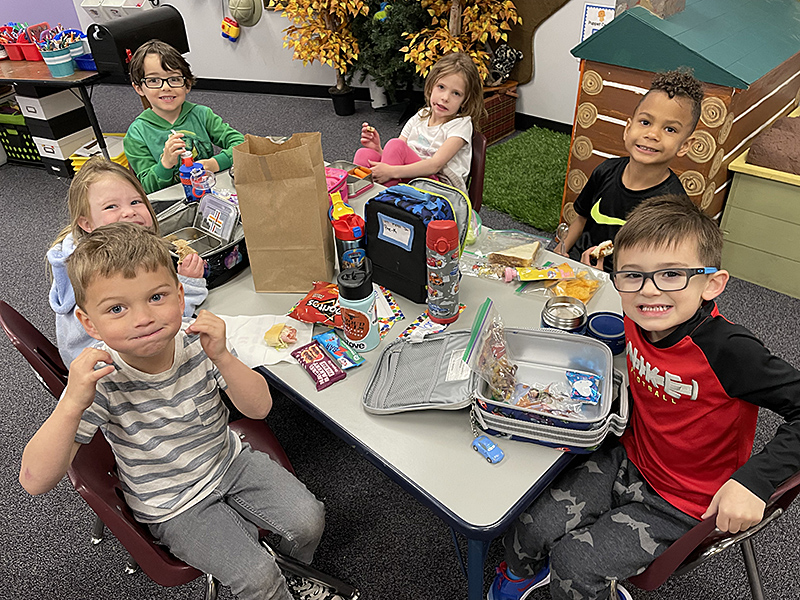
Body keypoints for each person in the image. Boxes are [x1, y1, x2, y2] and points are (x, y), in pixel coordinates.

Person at [488, 194, 800, 600]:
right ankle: (518, 578)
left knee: (574, 565)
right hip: (630, 458)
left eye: (671, 275)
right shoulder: (636, 316)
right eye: (633, 275)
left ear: (712, 284)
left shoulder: (730, 351)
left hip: (684, 499)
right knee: (529, 525)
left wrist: (755, 482)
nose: (649, 292)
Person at [22, 223, 335, 600]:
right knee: (258, 578)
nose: (143, 318)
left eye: (156, 297)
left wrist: (222, 356)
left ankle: (294, 573)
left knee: (309, 521)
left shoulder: (197, 342)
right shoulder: (101, 381)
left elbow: (259, 408)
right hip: (172, 503)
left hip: (229, 462)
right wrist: (72, 401)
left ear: (180, 293)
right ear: (90, 324)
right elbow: (34, 480)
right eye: (117, 308)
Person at [47, 157, 207, 367]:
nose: (129, 211)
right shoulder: (99, 270)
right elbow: (151, 324)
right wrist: (189, 285)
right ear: (86, 223)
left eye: (135, 202)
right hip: (112, 369)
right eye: (111, 207)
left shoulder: (119, 247)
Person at [554, 69, 704, 272]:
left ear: (685, 145)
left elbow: (656, 266)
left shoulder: (674, 206)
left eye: (670, 129)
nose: (652, 134)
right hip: (575, 262)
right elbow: (581, 218)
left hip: (624, 285)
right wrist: (559, 252)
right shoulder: (605, 171)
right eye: (645, 122)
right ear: (627, 129)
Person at [124, 39, 245, 194]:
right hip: (170, 203)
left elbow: (241, 145)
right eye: (153, 80)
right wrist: (165, 164)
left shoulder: (202, 115)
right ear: (139, 88)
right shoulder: (137, 134)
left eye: (174, 79)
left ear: (187, 84)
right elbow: (147, 187)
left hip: (207, 193)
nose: (166, 87)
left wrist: (213, 164)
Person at [354, 52, 485, 192]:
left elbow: (434, 166)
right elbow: (396, 156)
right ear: (431, 86)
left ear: (465, 100)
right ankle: (363, 202)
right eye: (441, 87)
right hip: (410, 177)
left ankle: (385, 206)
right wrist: (378, 149)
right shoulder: (421, 116)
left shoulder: (461, 125)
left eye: (456, 93)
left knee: (395, 145)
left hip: (440, 189)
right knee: (365, 155)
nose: (445, 97)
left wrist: (391, 172)